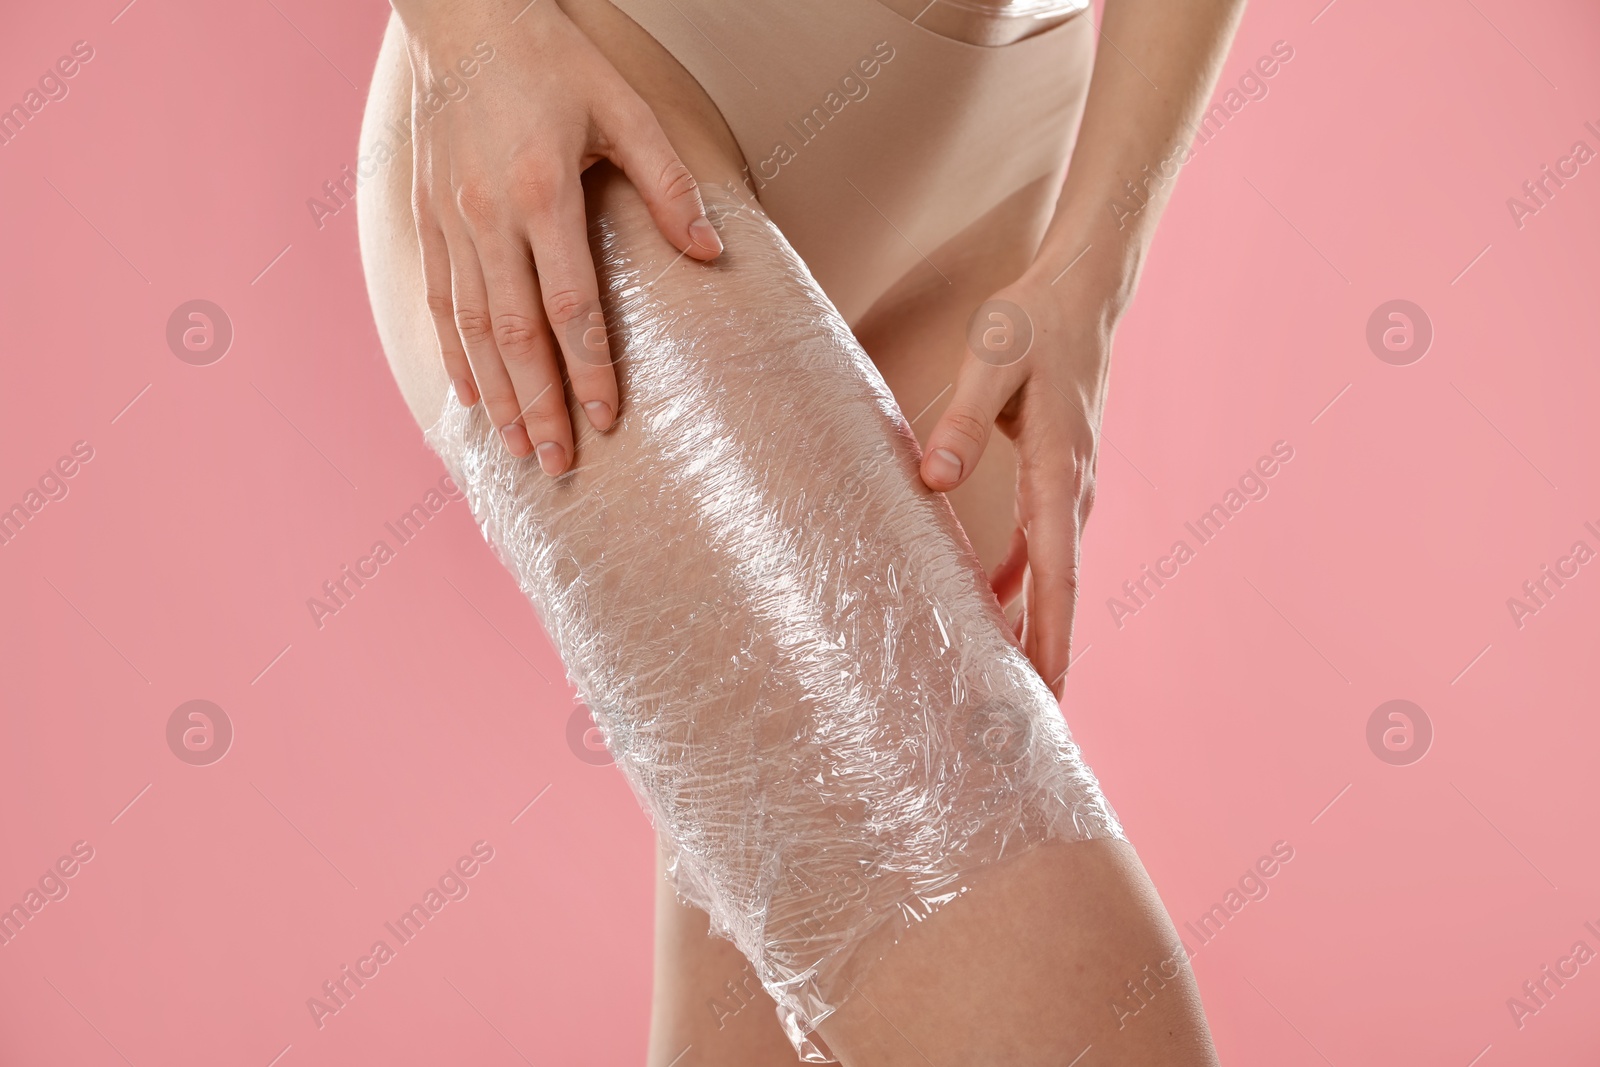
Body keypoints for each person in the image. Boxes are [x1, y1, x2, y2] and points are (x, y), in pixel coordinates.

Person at [358, 0, 1244, 1062]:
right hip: (621, 91)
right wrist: (474, 37)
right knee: (1069, 1011)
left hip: (1000, 153)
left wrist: (1094, 259)